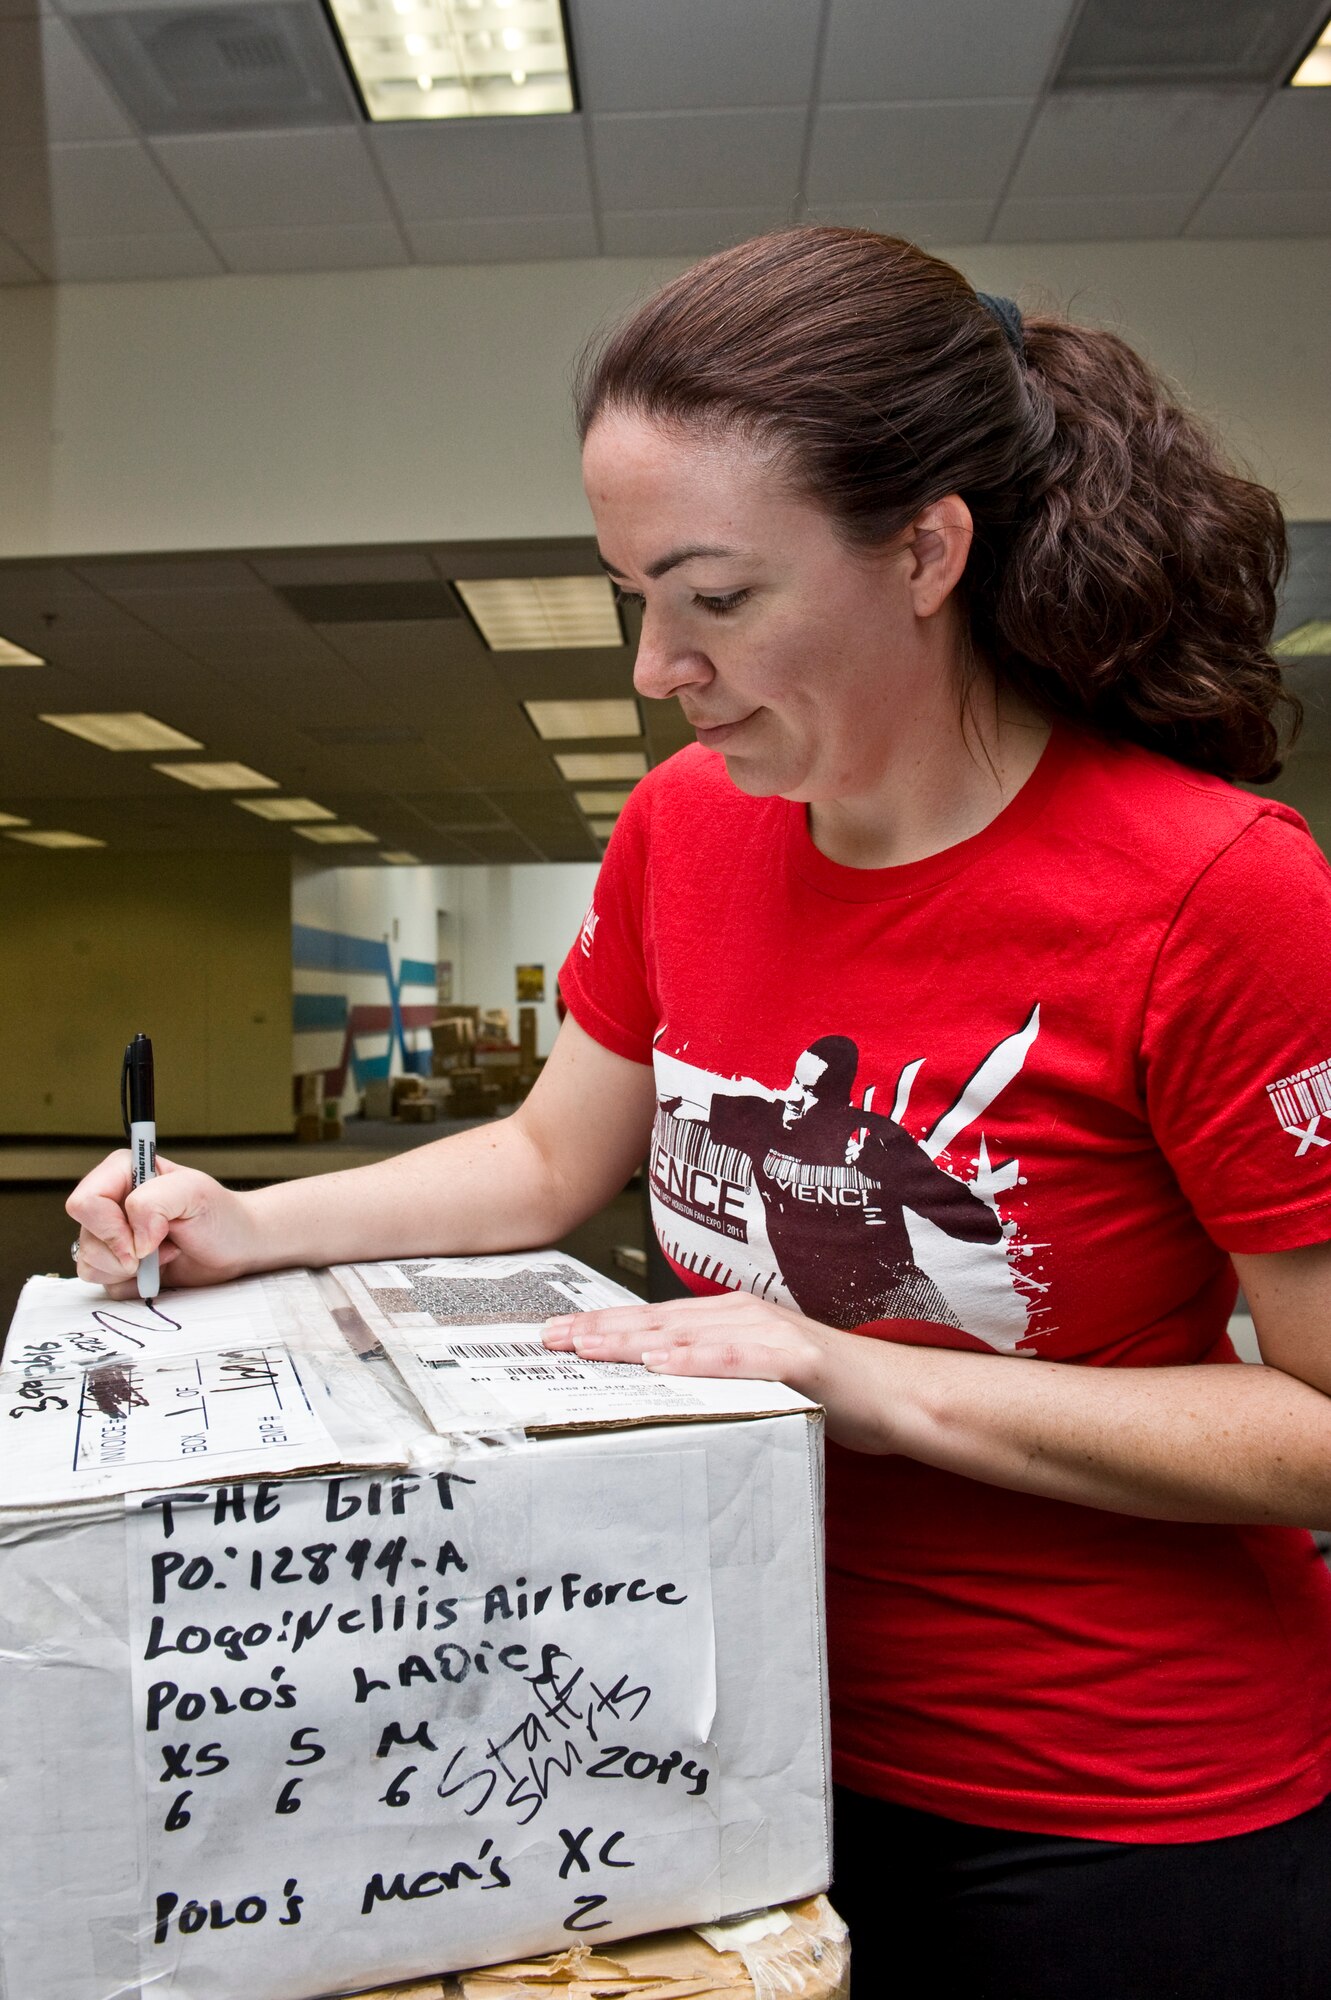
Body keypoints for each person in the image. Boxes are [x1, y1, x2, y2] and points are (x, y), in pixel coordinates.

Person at [69, 228, 1331, 1998]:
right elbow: (544, 1159)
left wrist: (850, 1374)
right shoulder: (687, 829)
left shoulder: (1217, 893)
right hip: (717, 1723)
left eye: (716, 598)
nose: (656, 665)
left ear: (928, 552)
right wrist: (243, 1225)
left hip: (1106, 1805)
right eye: (630, 596)